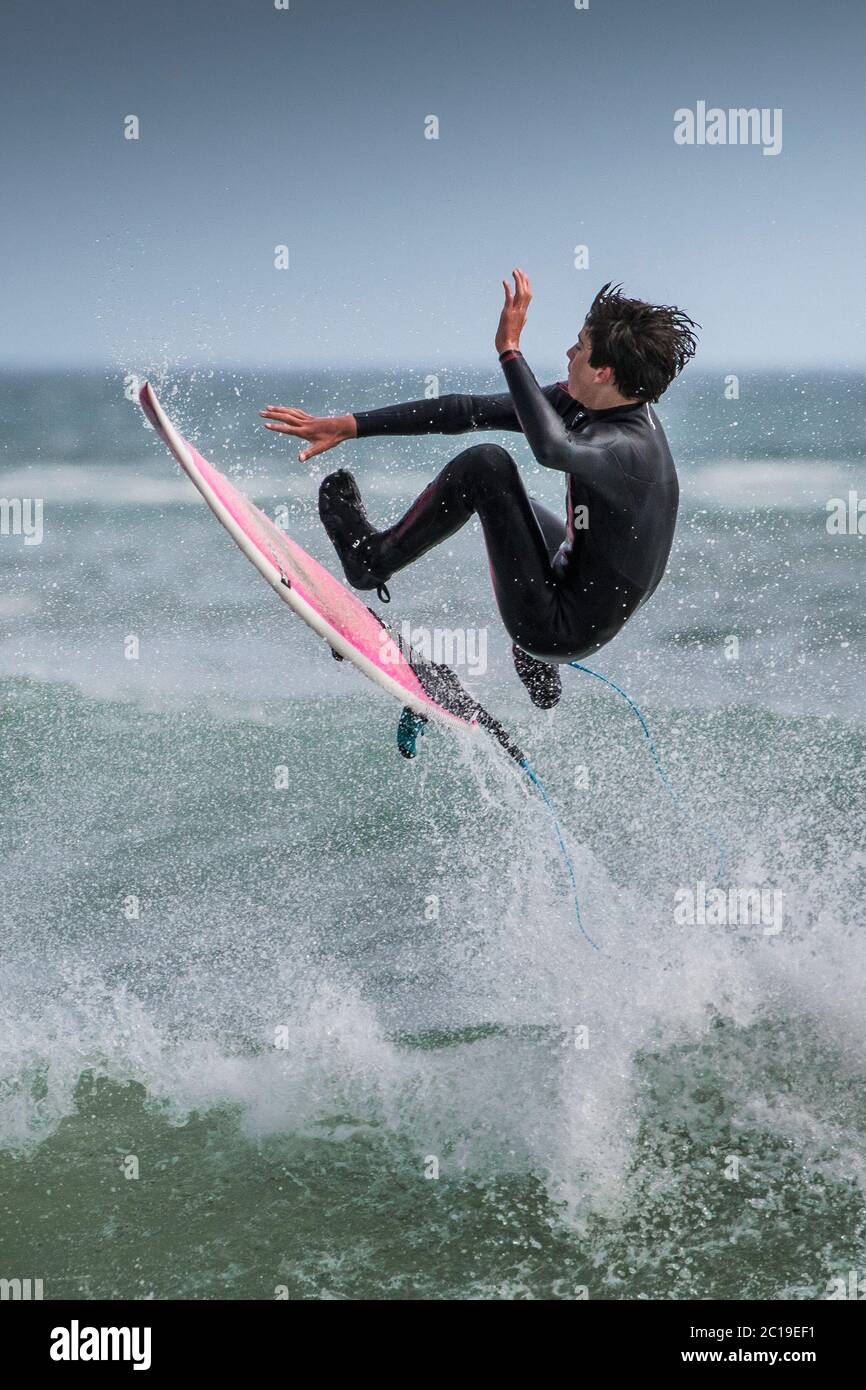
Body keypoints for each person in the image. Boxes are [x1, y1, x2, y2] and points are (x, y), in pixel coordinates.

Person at [259, 271, 698, 709]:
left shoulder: (624, 449)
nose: (569, 352)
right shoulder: (601, 405)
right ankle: (534, 664)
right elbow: (467, 411)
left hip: (559, 627)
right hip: (583, 581)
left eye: (580, 347)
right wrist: (351, 425)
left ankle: (370, 560)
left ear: (603, 372)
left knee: (486, 466)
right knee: (516, 501)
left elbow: (550, 448)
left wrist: (510, 351)